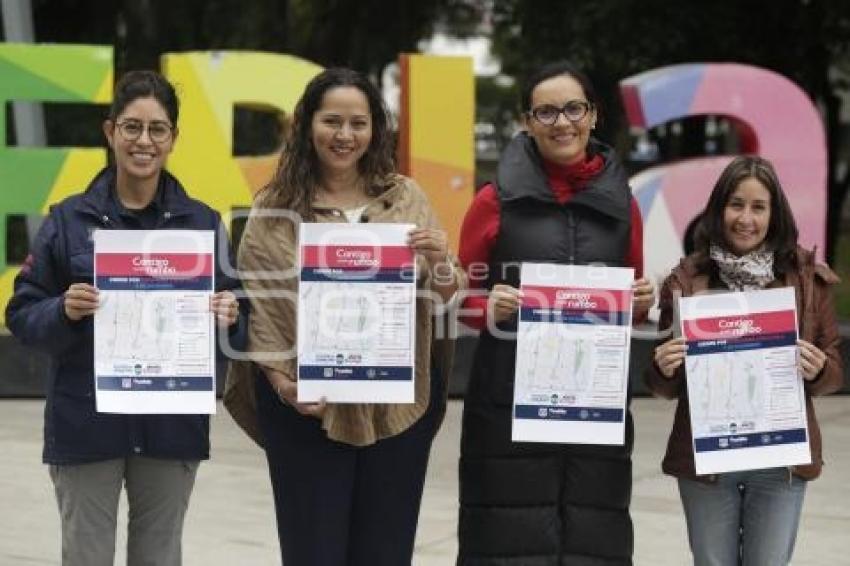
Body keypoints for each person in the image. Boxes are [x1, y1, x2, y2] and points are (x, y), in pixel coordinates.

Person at [223, 67, 465, 565]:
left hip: (397, 411)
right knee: (313, 553)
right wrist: (281, 382)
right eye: (332, 121)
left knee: (386, 553)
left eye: (358, 123)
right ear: (306, 125)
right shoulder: (275, 207)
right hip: (305, 412)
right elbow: (262, 308)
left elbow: (446, 298)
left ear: (376, 128)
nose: (345, 135)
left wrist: (440, 259)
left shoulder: (406, 198)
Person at [5, 70, 245, 566]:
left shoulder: (203, 224)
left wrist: (230, 314)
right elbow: (23, 313)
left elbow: (242, 320)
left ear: (173, 139)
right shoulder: (68, 219)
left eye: (158, 129)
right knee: (86, 558)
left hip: (171, 426)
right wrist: (63, 310)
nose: (144, 140)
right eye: (132, 127)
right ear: (111, 132)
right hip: (85, 425)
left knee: (159, 558)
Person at [456, 60, 654, 565]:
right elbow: (456, 295)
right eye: (546, 111)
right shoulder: (492, 200)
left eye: (573, 108)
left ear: (593, 116)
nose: (561, 122)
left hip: (595, 409)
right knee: (507, 543)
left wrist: (643, 303)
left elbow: (627, 298)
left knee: (594, 540)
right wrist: (485, 305)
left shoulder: (623, 206)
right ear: (527, 120)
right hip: (507, 408)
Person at [647, 155, 843, 566]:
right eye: (736, 204)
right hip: (708, 459)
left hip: (779, 459)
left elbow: (834, 371)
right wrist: (663, 367)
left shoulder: (806, 278)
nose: (745, 218)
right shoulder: (686, 280)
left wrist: (819, 369)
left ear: (775, 214)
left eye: (758, 207)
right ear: (718, 209)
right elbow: (663, 384)